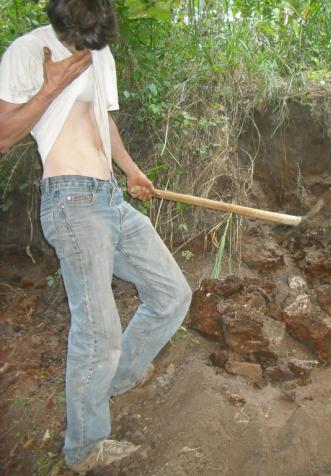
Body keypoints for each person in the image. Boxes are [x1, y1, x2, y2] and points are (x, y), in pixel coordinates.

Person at [0, 0, 192, 472]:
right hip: (70, 201)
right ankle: (84, 447)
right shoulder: (27, 51)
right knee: (98, 329)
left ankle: (114, 380)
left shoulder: (99, 53)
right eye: (80, 42)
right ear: (61, 22)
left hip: (110, 197)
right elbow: (3, 135)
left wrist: (131, 170)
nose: (88, 50)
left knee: (171, 294)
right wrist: (51, 88)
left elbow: (100, 120)